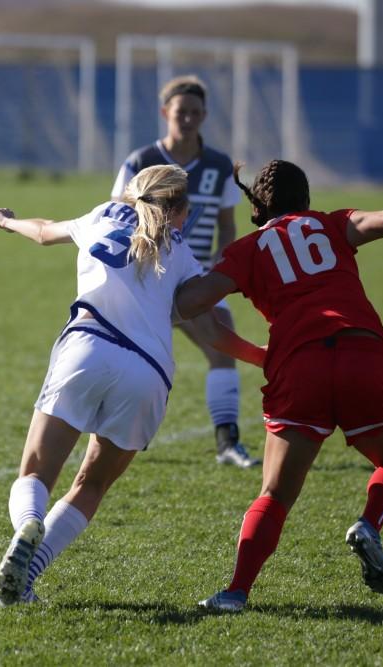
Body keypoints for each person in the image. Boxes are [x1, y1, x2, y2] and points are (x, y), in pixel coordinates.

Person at [174, 159, 383, 612]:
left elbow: (192, 302)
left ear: (257, 206)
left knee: (275, 495)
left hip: (299, 367)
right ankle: (370, 524)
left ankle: (236, 592)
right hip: (362, 351)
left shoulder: (246, 249)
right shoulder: (329, 225)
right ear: (306, 200)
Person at [0, 164, 265, 608]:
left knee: (35, 472)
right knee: (91, 484)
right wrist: (263, 356)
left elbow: (41, 231)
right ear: (181, 210)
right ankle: (28, 579)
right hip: (147, 373)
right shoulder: (182, 250)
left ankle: (27, 525)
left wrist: (6, 220)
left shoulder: (102, 215)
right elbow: (210, 330)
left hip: (88, 348)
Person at [112, 74, 258, 469]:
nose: (188, 119)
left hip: (193, 280)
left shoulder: (218, 165)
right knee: (119, 359)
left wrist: (219, 269)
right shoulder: (140, 162)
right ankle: (106, 435)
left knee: (221, 350)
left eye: (195, 112)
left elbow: (227, 224)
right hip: (145, 280)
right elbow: (118, 217)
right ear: (165, 113)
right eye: (181, 112)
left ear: (204, 115)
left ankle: (227, 442)